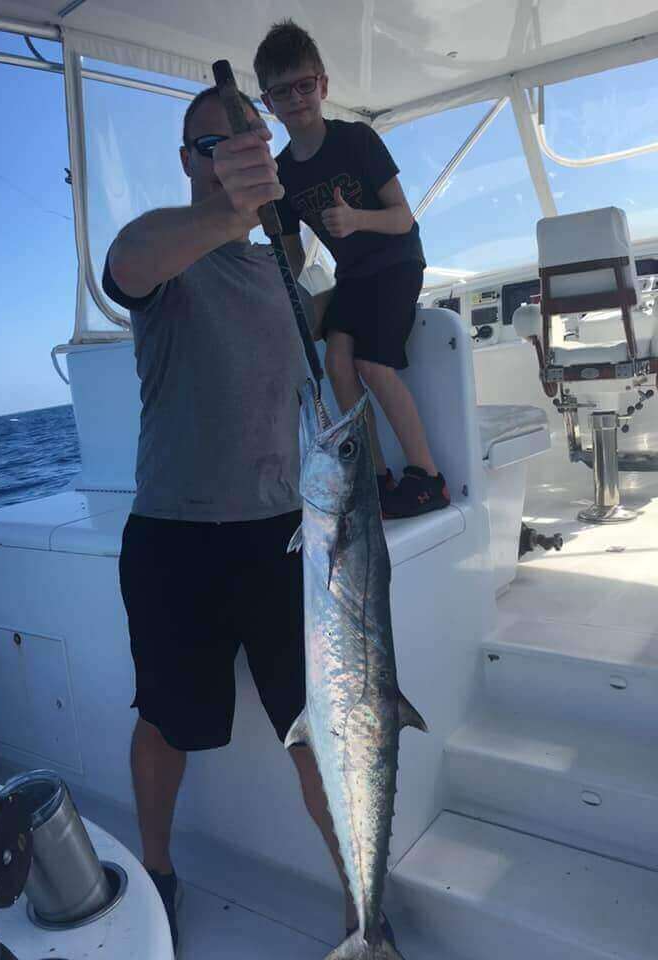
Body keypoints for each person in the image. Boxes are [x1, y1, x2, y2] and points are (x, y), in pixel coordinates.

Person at [102, 85, 359, 955]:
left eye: (250, 135)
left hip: (287, 537)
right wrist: (231, 206)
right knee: (168, 721)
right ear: (190, 162)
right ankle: (159, 870)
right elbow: (125, 262)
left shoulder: (286, 275)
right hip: (177, 538)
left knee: (317, 727)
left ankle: (363, 899)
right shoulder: (170, 260)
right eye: (215, 142)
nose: (238, 149)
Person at [255, 19, 450, 519]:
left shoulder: (356, 141)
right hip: (354, 278)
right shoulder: (282, 174)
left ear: (322, 85)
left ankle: (428, 478)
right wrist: (298, 298)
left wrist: (354, 219)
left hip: (397, 261)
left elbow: (403, 217)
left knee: (371, 364)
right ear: (267, 102)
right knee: (336, 365)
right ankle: (374, 477)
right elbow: (293, 254)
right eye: (283, 91)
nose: (296, 99)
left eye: (304, 85)